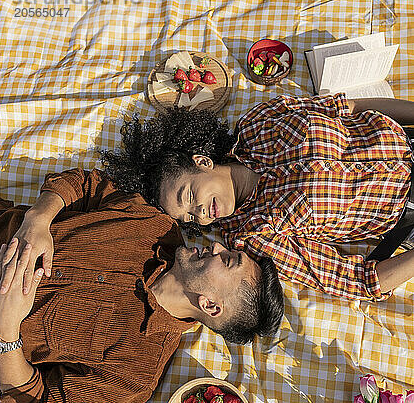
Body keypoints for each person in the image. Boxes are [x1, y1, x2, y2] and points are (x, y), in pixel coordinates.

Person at [0, 168, 284, 403]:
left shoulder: (136, 373)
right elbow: (86, 184)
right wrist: (38, 219)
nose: (218, 246)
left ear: (210, 305)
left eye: (228, 260)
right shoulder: (156, 226)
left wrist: (6, 331)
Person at [100, 93, 414, 302]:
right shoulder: (254, 235)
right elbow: (363, 281)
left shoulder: (260, 122)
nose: (199, 212)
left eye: (189, 195)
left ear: (203, 162)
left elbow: (348, 108)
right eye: (189, 217)